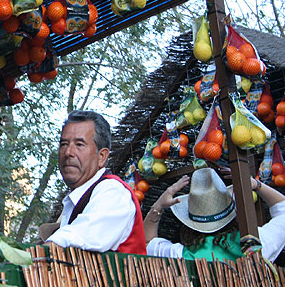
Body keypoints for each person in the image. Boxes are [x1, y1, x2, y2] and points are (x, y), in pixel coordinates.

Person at [39, 110, 147, 254]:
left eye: (79, 144)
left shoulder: (113, 192)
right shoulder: (76, 199)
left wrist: (33, 256)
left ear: (102, 156)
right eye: (64, 144)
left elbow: (80, 236)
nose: (68, 152)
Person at [144, 167, 285, 263]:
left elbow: (146, 243)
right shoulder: (257, 244)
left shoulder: (180, 255)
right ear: (231, 212)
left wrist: (158, 206)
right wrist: (256, 184)